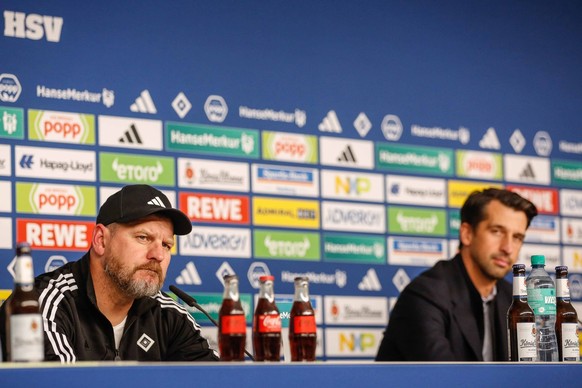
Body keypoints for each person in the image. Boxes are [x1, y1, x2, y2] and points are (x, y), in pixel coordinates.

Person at [0, 184, 219, 362]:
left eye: (166, 245)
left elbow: (220, 380)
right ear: (101, 240)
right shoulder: (43, 306)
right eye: (143, 238)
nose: (158, 255)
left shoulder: (169, 315)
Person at [376, 188, 538, 361]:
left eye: (517, 237)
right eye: (497, 231)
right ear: (467, 234)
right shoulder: (424, 296)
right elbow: (446, 380)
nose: (508, 248)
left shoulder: (512, 299)